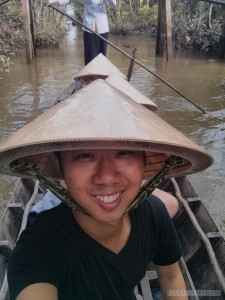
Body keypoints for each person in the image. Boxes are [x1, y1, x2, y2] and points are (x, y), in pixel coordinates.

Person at [0, 79, 213, 300]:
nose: (106, 177)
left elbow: (171, 279)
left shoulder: (155, 214)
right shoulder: (37, 249)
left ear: (145, 166)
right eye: (85, 155)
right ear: (61, 173)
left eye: (124, 152)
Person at [82, 0, 117, 65]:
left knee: (102, 61)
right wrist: (57, 1)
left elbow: (114, 5)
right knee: (90, 62)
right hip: (89, 29)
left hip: (103, 28)